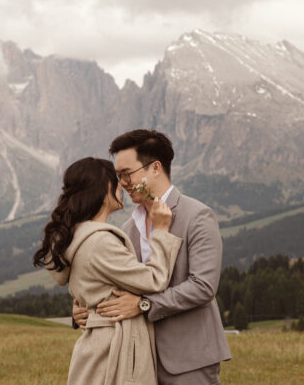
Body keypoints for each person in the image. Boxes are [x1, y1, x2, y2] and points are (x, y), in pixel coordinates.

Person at [73, 130, 232, 384]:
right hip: (139, 361)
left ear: (156, 168)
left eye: (127, 173)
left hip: (190, 359)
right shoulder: (127, 229)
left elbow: (203, 286)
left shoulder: (198, 216)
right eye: (118, 176)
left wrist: (144, 304)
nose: (121, 183)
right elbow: (121, 286)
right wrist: (84, 307)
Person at [33, 157, 183, 384]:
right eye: (115, 180)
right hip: (114, 351)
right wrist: (161, 231)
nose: (122, 185)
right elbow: (154, 280)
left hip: (96, 348)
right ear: (102, 190)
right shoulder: (100, 242)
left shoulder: (74, 238)